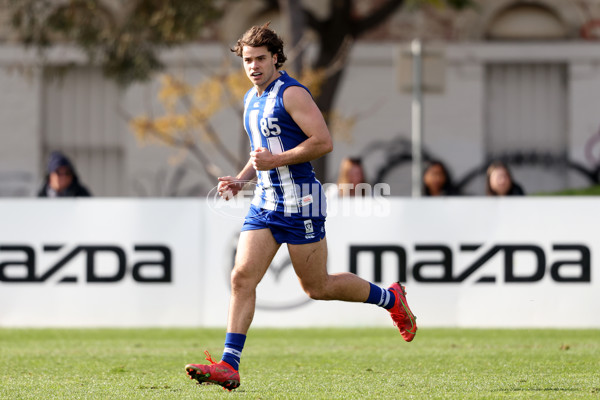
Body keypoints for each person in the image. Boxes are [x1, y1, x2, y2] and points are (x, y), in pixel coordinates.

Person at [185, 23, 417, 391]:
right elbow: (260, 153)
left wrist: (276, 162)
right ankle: (230, 365)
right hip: (265, 203)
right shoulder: (251, 98)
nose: (254, 66)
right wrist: (242, 177)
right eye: (248, 60)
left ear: (275, 58)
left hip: (301, 204)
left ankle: (391, 299)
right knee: (241, 277)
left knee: (318, 287)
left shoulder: (291, 94)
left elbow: (323, 142)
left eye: (261, 58)